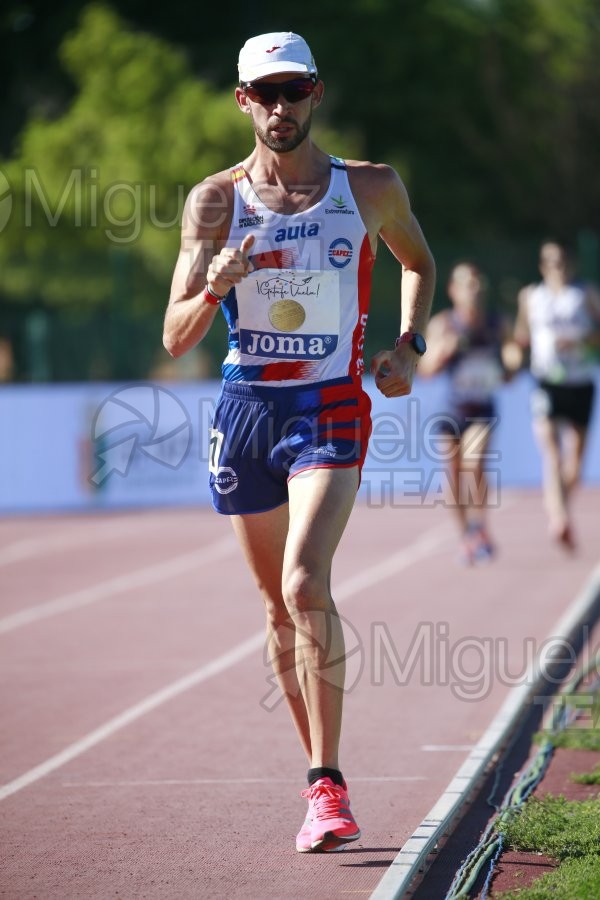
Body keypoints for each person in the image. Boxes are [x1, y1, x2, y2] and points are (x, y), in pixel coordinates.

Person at [163, 31, 435, 853]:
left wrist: (407, 346)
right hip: (247, 412)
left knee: (305, 580)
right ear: (242, 100)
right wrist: (213, 288)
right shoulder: (214, 201)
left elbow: (418, 263)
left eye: (295, 91)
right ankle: (316, 775)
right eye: (264, 94)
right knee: (276, 609)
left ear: (317, 94)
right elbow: (176, 336)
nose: (280, 108)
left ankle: (328, 786)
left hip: (330, 407)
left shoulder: (372, 186)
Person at [512, 240, 600, 549]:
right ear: (542, 266)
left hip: (580, 381)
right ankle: (559, 518)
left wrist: (580, 341)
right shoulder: (530, 297)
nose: (557, 268)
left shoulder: (585, 294)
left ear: (570, 264)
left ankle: (560, 504)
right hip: (546, 381)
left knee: (574, 463)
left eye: (561, 261)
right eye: (550, 262)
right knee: (551, 451)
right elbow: (521, 335)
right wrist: (512, 355)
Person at [419, 263, 508, 564]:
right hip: (451, 408)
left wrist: (510, 361)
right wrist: (445, 350)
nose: (475, 290)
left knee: (474, 462)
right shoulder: (445, 324)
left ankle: (480, 525)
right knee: (454, 472)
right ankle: (466, 536)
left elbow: (510, 369)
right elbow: (426, 369)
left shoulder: (496, 323)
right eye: (468, 285)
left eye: (478, 284)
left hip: (481, 408)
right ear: (454, 290)